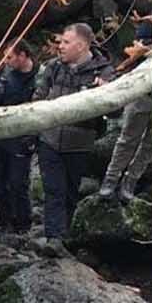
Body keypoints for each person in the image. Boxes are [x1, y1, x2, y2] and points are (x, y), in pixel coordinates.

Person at [32, 24, 113, 254]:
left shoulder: (104, 73)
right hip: (49, 140)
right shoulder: (53, 67)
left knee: (70, 191)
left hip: (79, 144)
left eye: (66, 42)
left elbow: (116, 112)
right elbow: (37, 98)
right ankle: (53, 238)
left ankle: (65, 236)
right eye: (61, 41)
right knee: (53, 190)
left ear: (82, 45)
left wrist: (104, 94)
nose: (61, 46)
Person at [97, 19, 152, 205]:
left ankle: (130, 181)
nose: (142, 46)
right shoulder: (136, 57)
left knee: (151, 145)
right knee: (127, 140)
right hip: (140, 96)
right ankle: (111, 180)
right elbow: (126, 69)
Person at [0, 40, 39, 231]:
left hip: (22, 136)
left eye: (9, 57)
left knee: (18, 182)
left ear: (23, 55)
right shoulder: (4, 74)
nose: (6, 61)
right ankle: (5, 222)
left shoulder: (39, 76)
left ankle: (23, 223)